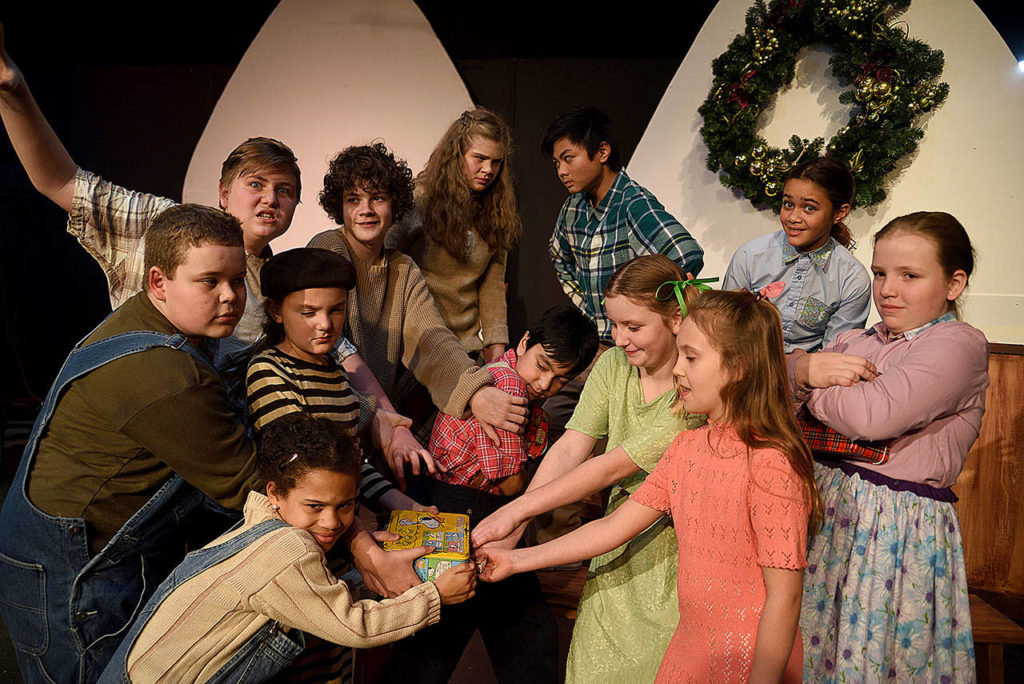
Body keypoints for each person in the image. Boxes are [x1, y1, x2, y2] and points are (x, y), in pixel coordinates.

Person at [0, 24, 395, 425]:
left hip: (213, 435)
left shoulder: (281, 281)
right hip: (135, 420)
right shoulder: (163, 224)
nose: (270, 199)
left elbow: (340, 352)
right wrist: (13, 89)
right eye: (255, 184)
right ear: (224, 193)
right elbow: (63, 182)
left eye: (285, 190)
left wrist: (384, 418)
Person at [477, 288, 823, 683]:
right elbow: (611, 528)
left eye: (691, 358)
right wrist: (516, 560)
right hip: (688, 653)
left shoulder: (771, 465)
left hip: (749, 659)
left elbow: (785, 596)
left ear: (739, 366)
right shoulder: (687, 448)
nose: (679, 369)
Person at [0, 205, 260, 683]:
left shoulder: (148, 324)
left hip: (78, 550)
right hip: (73, 572)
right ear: (158, 282)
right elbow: (251, 486)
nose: (231, 297)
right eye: (209, 282)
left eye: (238, 280)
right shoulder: (165, 372)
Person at [98, 414, 478, 683]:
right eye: (315, 507)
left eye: (346, 505)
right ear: (275, 494)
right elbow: (356, 626)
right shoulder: (286, 550)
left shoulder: (262, 522)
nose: (332, 522)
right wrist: (434, 595)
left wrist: (350, 560)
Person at [472, 255, 707, 683]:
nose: (620, 339)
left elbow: (609, 467)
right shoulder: (614, 365)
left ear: (675, 317)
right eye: (614, 326)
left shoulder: (690, 389)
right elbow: (573, 445)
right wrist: (517, 519)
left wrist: (516, 513)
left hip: (672, 552)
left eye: (633, 327)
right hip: (613, 544)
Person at [791, 211, 986, 682]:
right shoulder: (855, 338)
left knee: (870, 654)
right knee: (813, 649)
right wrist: (804, 370)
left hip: (894, 530)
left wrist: (811, 380)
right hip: (826, 512)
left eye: (910, 276)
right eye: (879, 273)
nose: (888, 289)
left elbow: (873, 416)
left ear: (954, 284)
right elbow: (778, 394)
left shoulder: (959, 345)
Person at [380, 304, 599, 684]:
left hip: (469, 507)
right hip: (462, 508)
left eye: (560, 380)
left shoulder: (509, 380)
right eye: (543, 365)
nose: (546, 385)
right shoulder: (506, 386)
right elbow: (513, 483)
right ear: (525, 341)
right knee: (463, 635)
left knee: (496, 634)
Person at [308, 143, 527, 447]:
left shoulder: (403, 269)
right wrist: (383, 418)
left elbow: (430, 338)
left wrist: (476, 392)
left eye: (378, 198)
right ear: (339, 206)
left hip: (381, 423)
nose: (366, 210)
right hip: (329, 419)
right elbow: (331, 349)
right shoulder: (328, 249)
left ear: (394, 205)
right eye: (353, 199)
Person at [542, 105, 704, 452]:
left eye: (568, 158)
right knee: (554, 417)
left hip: (637, 346)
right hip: (600, 343)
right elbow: (559, 254)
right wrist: (589, 306)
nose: (561, 170)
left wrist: (645, 303)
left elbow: (686, 254)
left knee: (620, 434)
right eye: (557, 163)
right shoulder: (573, 208)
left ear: (602, 152)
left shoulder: (633, 203)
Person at [247, 247, 438, 506]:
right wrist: (357, 533)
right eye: (308, 313)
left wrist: (405, 505)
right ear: (276, 311)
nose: (325, 324)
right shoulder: (269, 370)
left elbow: (351, 464)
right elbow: (298, 471)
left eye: (336, 310)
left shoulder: (337, 373)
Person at [389, 107, 522, 363]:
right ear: (456, 154)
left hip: (466, 349)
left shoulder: (495, 211)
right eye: (480, 158)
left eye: (496, 162)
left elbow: (492, 285)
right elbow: (385, 267)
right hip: (416, 349)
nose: (488, 169)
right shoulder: (418, 201)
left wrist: (497, 350)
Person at [723, 157, 871, 352]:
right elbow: (724, 331)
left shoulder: (852, 278)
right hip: (744, 371)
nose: (793, 218)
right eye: (788, 204)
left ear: (839, 213)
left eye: (809, 208)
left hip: (808, 378)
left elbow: (833, 356)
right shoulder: (750, 257)